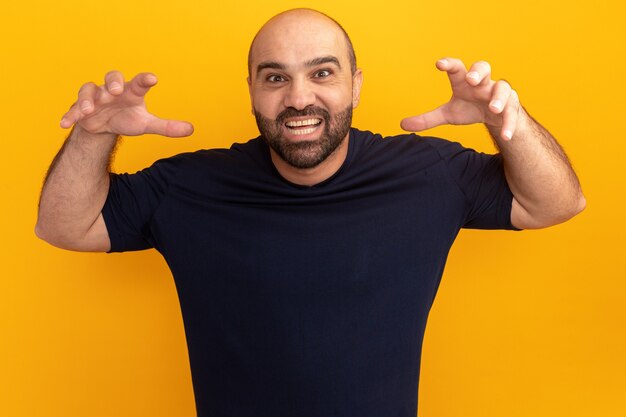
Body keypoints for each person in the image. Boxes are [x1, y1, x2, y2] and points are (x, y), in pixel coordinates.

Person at [36, 8, 585, 417]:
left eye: (322, 73)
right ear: (252, 89)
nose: (299, 98)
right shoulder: (190, 185)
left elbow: (557, 203)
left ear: (356, 84)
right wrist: (93, 134)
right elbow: (64, 225)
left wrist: (502, 119)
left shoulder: (428, 174)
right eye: (275, 77)